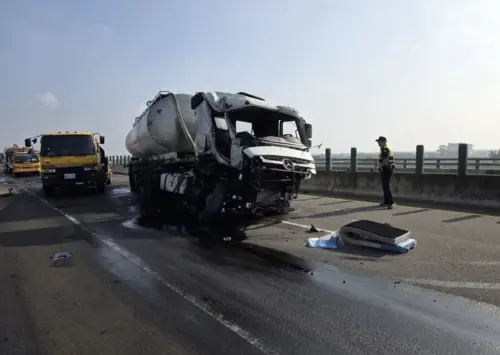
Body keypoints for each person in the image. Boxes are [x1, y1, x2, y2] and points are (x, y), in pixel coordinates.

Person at [376, 136, 395, 209]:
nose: (378, 143)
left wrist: (380, 165)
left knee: (387, 186)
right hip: (385, 169)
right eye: (378, 142)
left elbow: (386, 160)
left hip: (388, 169)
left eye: (379, 141)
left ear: (384, 142)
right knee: (385, 186)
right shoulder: (383, 149)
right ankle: (386, 202)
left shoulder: (385, 149)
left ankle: (391, 203)